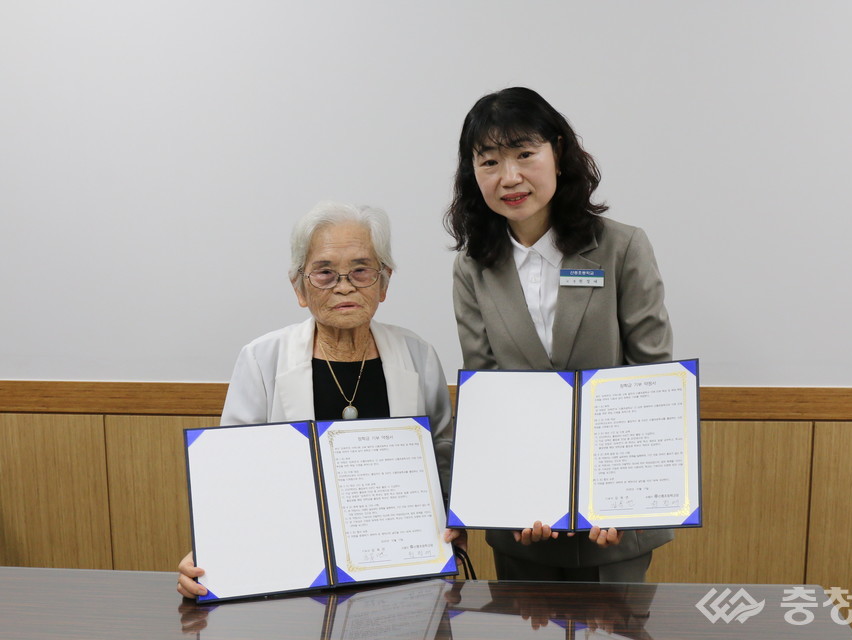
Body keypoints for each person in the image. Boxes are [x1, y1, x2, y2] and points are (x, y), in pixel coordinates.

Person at [444, 87, 674, 582]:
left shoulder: (621, 247)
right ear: (472, 172)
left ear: (558, 153)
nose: (510, 177)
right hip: (524, 524)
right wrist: (521, 499)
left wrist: (616, 499)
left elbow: (650, 380)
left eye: (525, 154)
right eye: (489, 161)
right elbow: (489, 394)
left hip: (614, 524)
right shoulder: (473, 268)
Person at [178, 201, 460, 598]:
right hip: (291, 567)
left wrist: (451, 521)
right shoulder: (262, 359)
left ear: (384, 283)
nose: (344, 286)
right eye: (325, 273)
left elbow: (442, 456)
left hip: (401, 571)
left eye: (361, 270)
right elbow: (232, 477)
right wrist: (213, 555)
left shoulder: (418, 355)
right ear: (299, 287)